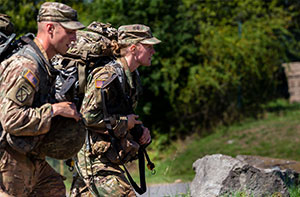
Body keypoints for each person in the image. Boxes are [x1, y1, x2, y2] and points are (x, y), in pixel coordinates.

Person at [0, 2, 84, 196]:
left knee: (54, 189)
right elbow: (11, 119)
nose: (75, 38)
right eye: (70, 32)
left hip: (31, 156)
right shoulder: (27, 65)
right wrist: (55, 110)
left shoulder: (45, 64)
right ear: (50, 29)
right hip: (10, 160)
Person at [70, 24, 161, 197]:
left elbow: (118, 112)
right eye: (149, 46)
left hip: (104, 151)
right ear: (133, 48)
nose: (153, 52)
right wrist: (125, 123)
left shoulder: (133, 77)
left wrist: (137, 131)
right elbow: (87, 117)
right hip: (92, 156)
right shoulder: (107, 76)